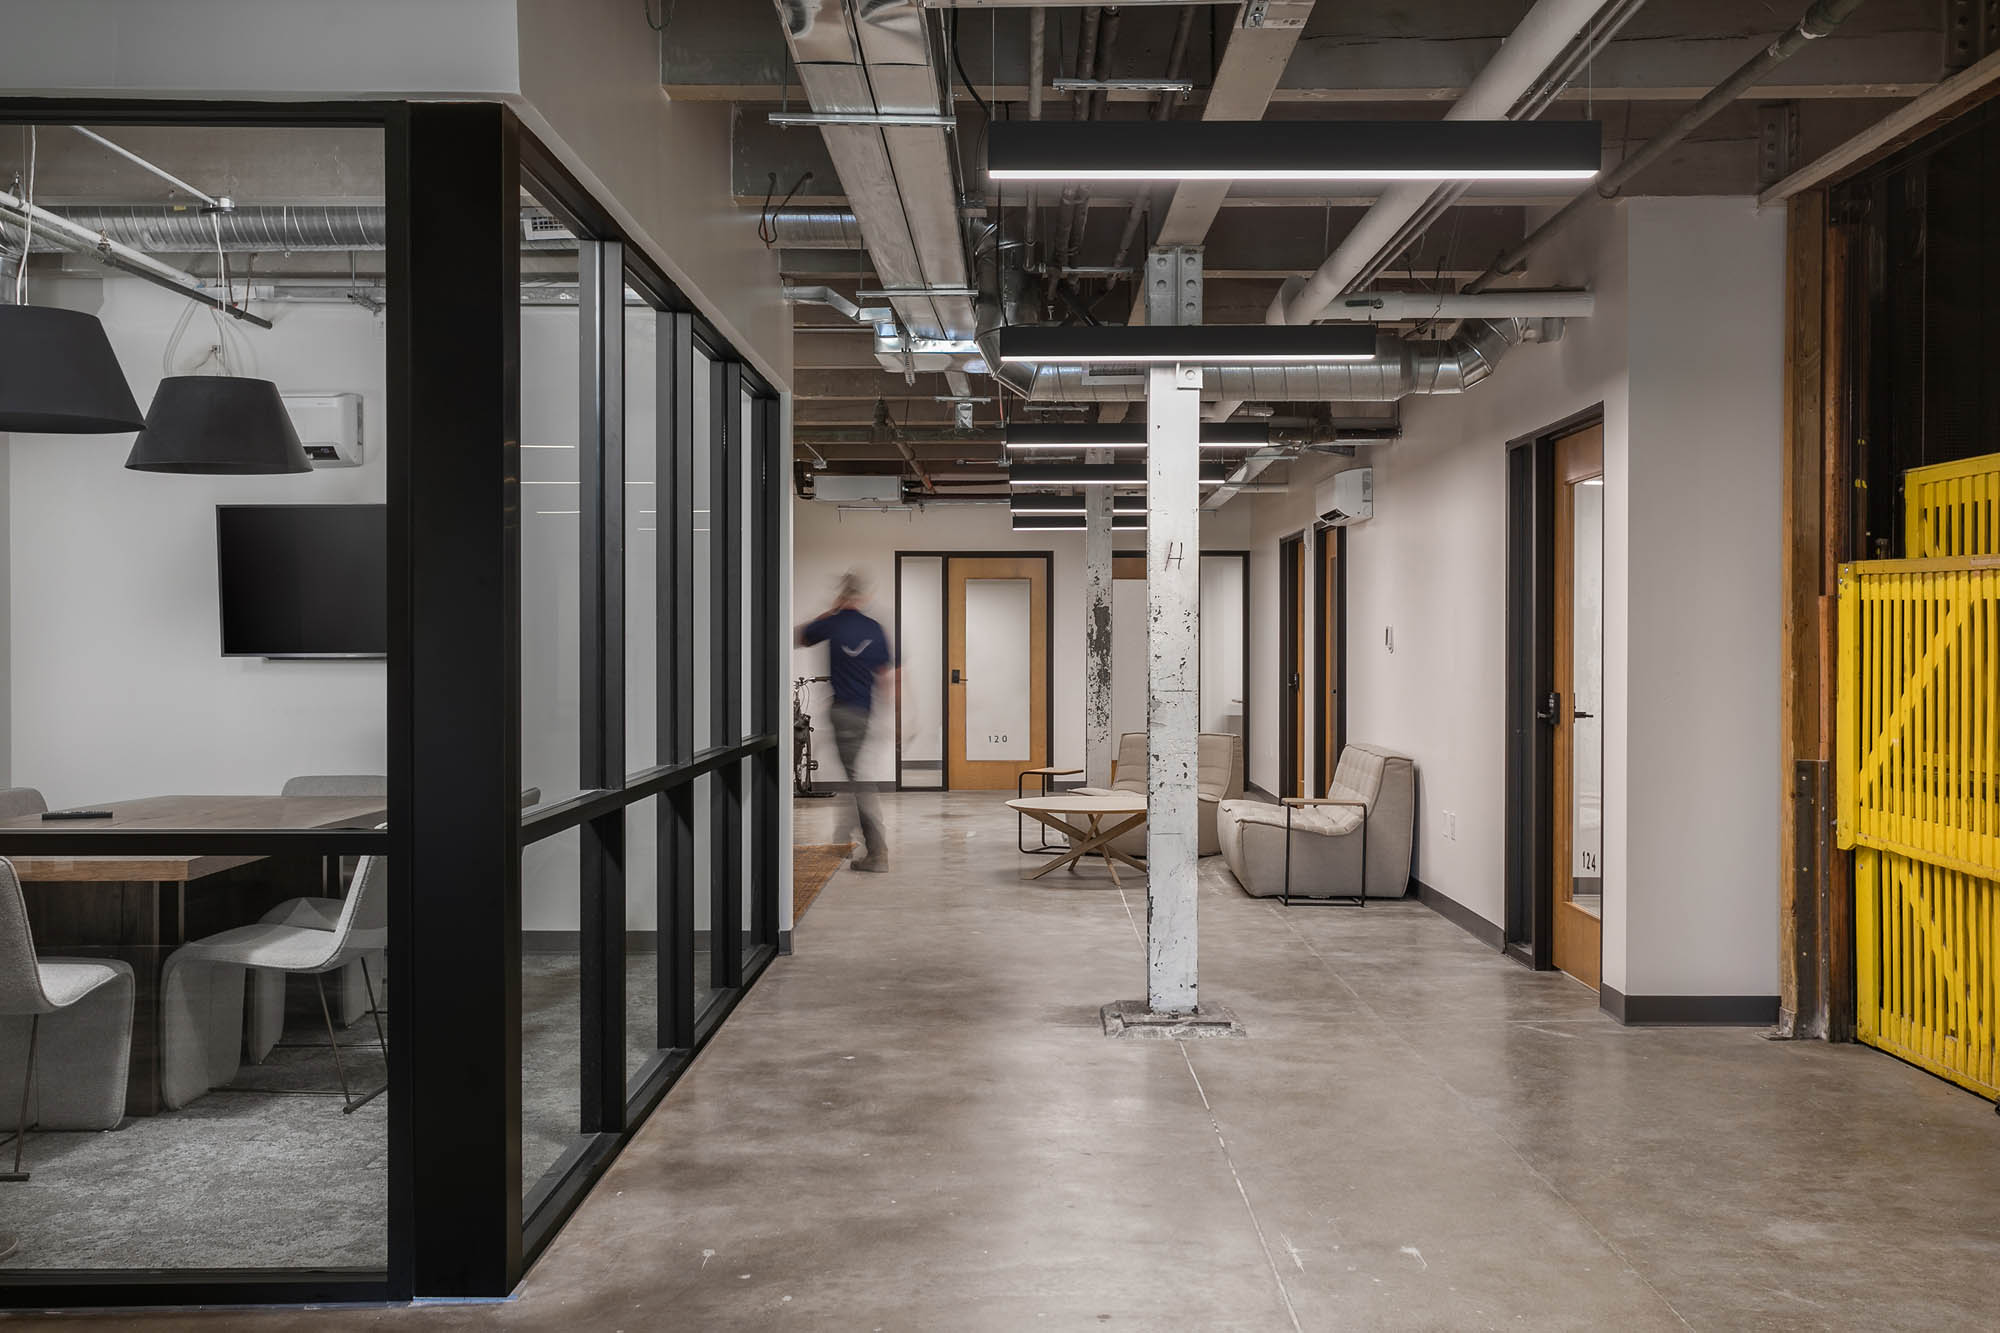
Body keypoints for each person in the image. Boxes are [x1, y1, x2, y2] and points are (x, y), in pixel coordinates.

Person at [798, 572, 897, 871]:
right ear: (864, 597)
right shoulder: (875, 628)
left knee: (857, 779)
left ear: (843, 595)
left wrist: (832, 609)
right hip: (865, 713)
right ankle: (842, 839)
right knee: (853, 775)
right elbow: (887, 677)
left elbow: (801, 637)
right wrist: (893, 716)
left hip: (843, 712)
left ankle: (877, 852)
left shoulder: (834, 622)